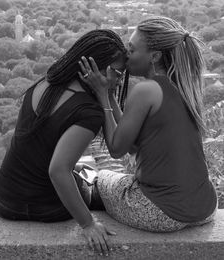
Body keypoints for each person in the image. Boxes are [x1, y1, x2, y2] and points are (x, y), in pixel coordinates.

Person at [0, 29, 128, 255]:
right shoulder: (89, 111)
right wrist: (88, 224)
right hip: (46, 206)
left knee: (80, 170)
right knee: (100, 187)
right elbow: (58, 171)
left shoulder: (45, 84)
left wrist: (107, 90)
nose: (120, 80)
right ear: (97, 67)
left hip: (4, 199)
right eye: (118, 73)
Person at [78, 16, 218, 232]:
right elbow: (133, 145)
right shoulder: (184, 88)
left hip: (161, 212)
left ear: (154, 56)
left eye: (132, 50)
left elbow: (116, 149)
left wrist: (101, 95)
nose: (127, 56)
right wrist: (112, 97)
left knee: (99, 179)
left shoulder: (146, 90)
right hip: (204, 208)